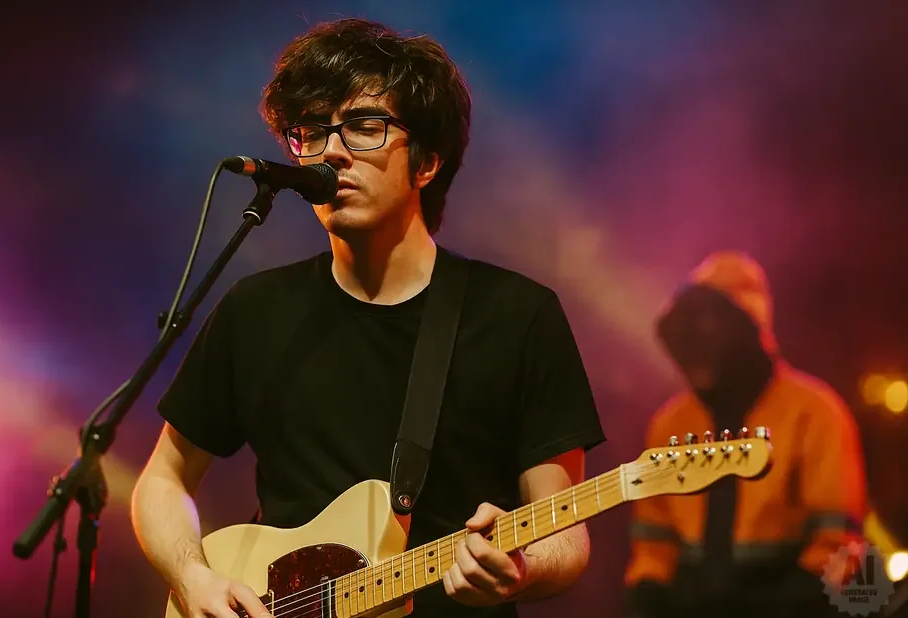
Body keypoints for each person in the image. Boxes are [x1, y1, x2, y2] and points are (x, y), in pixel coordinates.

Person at [130, 17, 605, 618]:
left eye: (363, 127)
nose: (330, 151)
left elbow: (565, 530)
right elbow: (162, 481)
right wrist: (193, 578)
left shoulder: (518, 317)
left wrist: (521, 568)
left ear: (427, 162)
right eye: (312, 132)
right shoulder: (254, 311)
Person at [622, 251, 868, 618]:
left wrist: (786, 602)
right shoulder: (670, 423)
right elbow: (653, 544)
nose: (695, 352)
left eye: (710, 333)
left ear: (748, 333)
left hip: (790, 600)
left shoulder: (815, 413)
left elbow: (838, 544)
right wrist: (648, 590)